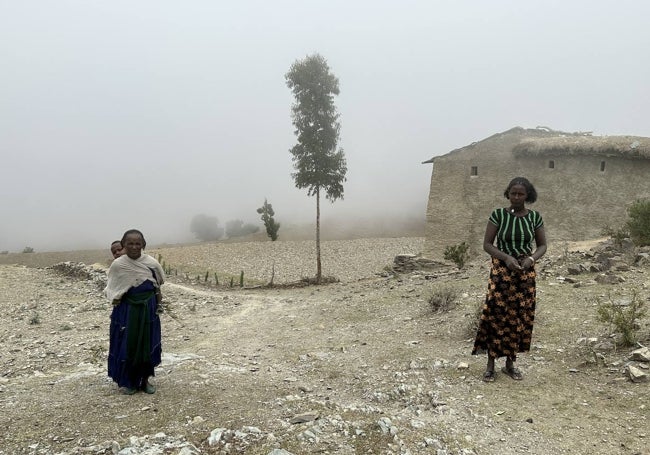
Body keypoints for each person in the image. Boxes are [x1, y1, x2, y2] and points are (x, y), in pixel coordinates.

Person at [472, 177, 547, 382]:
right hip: (501, 271)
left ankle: (510, 364)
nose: (516, 197)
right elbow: (487, 244)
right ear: (508, 193)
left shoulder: (534, 218)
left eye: (520, 194)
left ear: (527, 196)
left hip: (525, 273)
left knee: (518, 318)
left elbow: (542, 246)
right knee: (496, 315)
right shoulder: (498, 215)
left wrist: (531, 259)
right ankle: (490, 364)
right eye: (513, 193)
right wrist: (506, 258)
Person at [105, 229, 165, 394]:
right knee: (128, 344)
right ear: (123, 245)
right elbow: (113, 288)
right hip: (127, 310)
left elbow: (158, 283)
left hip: (148, 309)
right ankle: (129, 382)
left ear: (143, 245)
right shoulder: (118, 265)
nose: (134, 246)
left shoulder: (151, 263)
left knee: (146, 344)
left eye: (137, 243)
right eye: (130, 243)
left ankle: (145, 381)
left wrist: (159, 303)